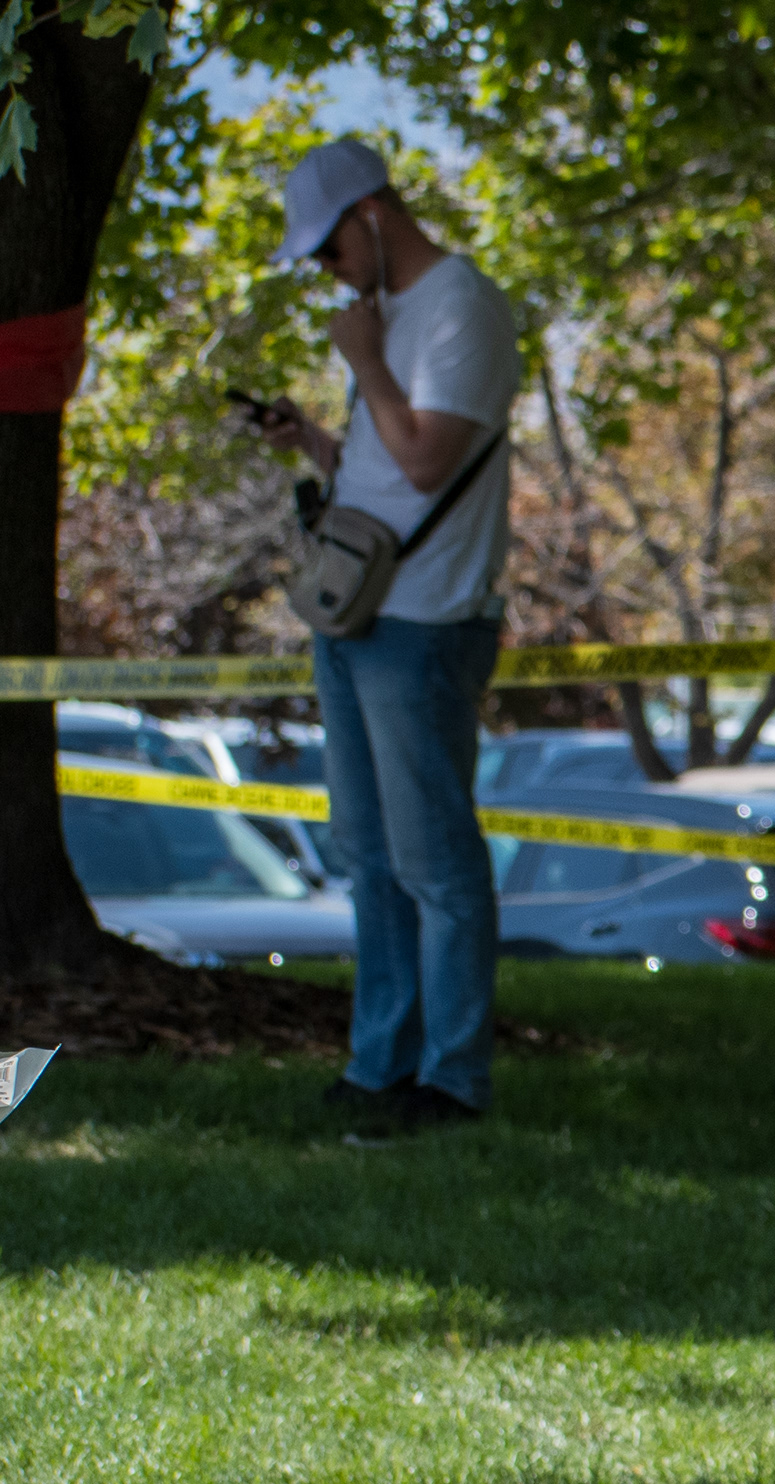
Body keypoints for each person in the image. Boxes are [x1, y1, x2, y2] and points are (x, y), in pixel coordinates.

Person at [243, 140, 520, 1136]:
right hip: (356, 611)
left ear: (370, 213)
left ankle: (451, 1080)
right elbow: (379, 461)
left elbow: (427, 461)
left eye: (326, 251)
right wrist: (314, 436)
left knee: (435, 859)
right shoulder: (394, 317)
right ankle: (380, 1063)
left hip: (427, 620)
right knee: (369, 853)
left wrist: (362, 360)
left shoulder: (461, 308)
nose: (328, 273)